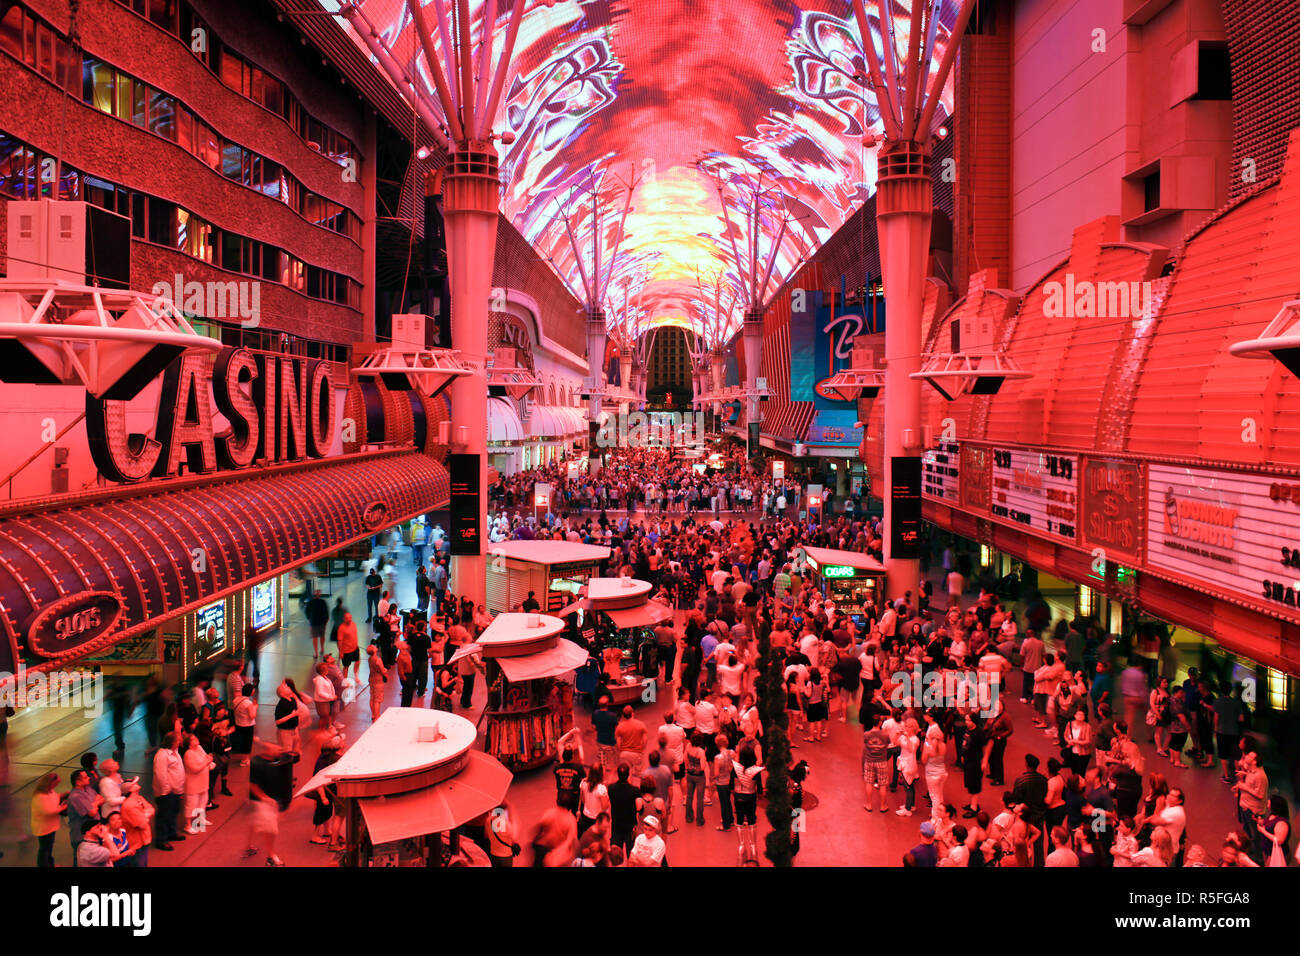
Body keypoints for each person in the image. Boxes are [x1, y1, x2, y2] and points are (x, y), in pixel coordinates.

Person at [151, 733, 185, 850]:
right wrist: (166, 790)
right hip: (166, 793)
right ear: (172, 742)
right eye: (178, 740)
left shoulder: (175, 752)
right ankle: (161, 840)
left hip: (175, 790)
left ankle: (171, 833)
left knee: (173, 812)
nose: (180, 741)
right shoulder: (162, 756)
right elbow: (161, 774)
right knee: (164, 816)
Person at [68, 769, 103, 865]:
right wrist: (96, 803)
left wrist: (93, 804)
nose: (89, 778)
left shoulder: (88, 788)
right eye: (86, 777)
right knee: (81, 861)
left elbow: (101, 798)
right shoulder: (76, 796)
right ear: (78, 782)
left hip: (93, 833)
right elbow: (92, 812)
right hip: (81, 836)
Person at [183, 733, 215, 833]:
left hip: (203, 782)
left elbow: (207, 757)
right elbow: (195, 769)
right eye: (193, 739)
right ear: (189, 744)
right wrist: (206, 761)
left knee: (203, 801)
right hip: (193, 784)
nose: (196, 739)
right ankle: (188, 825)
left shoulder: (199, 748)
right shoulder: (188, 754)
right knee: (191, 804)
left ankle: (201, 820)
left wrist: (207, 761)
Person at [607, 763, 640, 855]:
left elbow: (608, 784)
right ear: (628, 775)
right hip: (630, 826)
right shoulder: (635, 791)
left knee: (615, 854)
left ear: (617, 774)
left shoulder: (611, 789)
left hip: (616, 825)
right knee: (631, 854)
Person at [862, 713, 892, 813]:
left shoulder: (866, 734)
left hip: (869, 761)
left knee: (869, 782)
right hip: (882, 761)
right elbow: (888, 744)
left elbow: (865, 746)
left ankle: (869, 804)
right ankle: (883, 806)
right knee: (882, 784)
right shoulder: (885, 735)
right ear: (880, 723)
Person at [311, 662, 338, 730]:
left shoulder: (325, 677)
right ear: (323, 670)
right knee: (323, 717)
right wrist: (330, 697)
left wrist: (332, 696)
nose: (328, 669)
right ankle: (321, 730)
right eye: (326, 668)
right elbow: (320, 692)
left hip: (326, 700)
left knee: (326, 716)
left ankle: (325, 728)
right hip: (321, 701)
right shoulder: (320, 680)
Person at [366, 645, 388, 721]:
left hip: (371, 679)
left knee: (372, 697)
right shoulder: (378, 660)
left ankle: (373, 714)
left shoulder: (369, 659)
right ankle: (377, 716)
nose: (375, 646)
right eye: (374, 646)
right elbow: (382, 670)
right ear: (374, 650)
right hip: (378, 680)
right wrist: (386, 672)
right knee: (377, 700)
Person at [338, 611, 361, 684]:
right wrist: (341, 652)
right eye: (347, 618)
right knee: (346, 666)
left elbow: (355, 635)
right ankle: (345, 680)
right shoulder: (341, 628)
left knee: (358, 662)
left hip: (355, 648)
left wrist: (356, 644)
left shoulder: (353, 624)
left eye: (350, 618)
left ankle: (356, 676)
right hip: (346, 651)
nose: (349, 619)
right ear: (344, 619)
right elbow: (340, 641)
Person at [305, 590, 330, 659]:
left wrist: (309, 618)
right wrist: (326, 619)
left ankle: (318, 651)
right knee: (319, 637)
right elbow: (326, 612)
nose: (317, 595)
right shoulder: (321, 602)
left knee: (316, 637)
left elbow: (307, 611)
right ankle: (319, 650)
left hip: (316, 622)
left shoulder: (313, 602)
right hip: (318, 622)